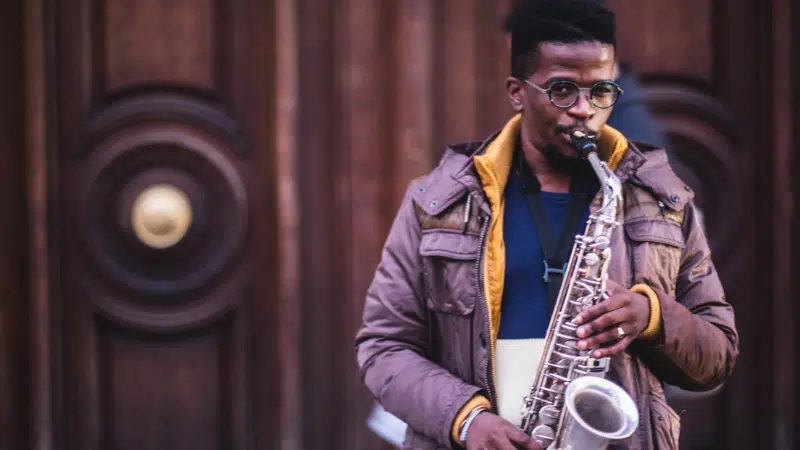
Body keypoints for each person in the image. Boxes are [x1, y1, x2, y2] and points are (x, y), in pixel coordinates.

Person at [355, 1, 739, 449]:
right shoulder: (436, 201)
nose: (584, 110)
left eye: (600, 92)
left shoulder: (661, 197)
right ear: (517, 92)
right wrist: (466, 420)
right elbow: (384, 349)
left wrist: (652, 318)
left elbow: (718, 353)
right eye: (562, 90)